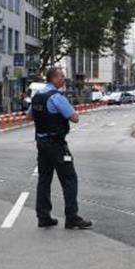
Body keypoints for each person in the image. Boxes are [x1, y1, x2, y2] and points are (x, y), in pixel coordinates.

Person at [29, 66, 92, 229]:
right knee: (70, 179)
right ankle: (71, 218)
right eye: (61, 77)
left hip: (41, 144)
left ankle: (43, 217)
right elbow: (74, 118)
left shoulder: (37, 97)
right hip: (56, 144)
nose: (63, 79)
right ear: (54, 79)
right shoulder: (56, 97)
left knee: (44, 179)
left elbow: (30, 116)